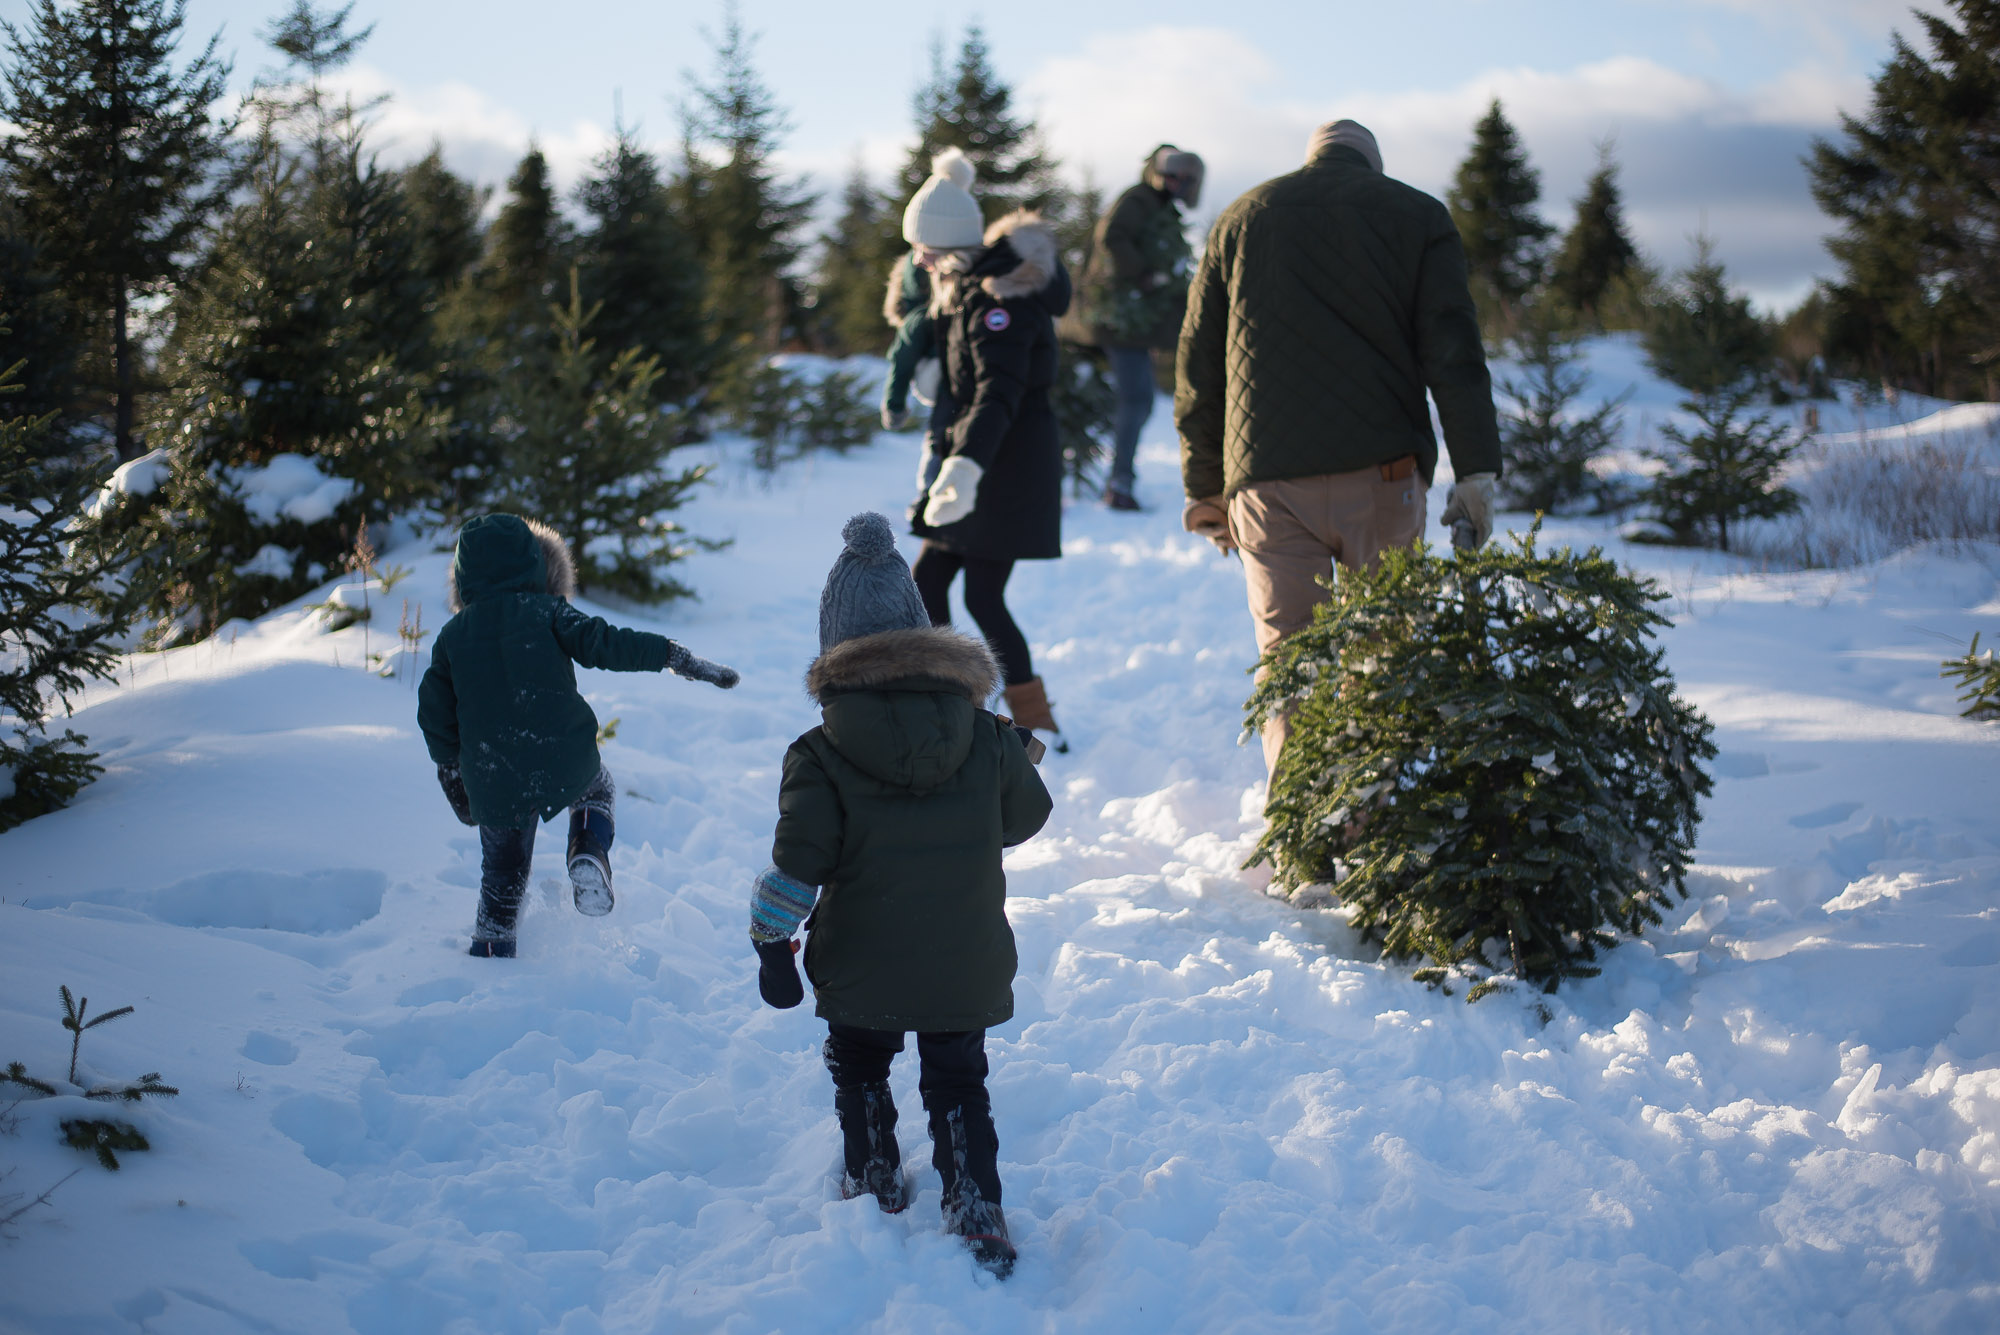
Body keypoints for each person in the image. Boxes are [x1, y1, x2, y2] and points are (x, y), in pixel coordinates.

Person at [748, 512, 1053, 1277]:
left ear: (833, 650)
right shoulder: (984, 734)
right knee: (958, 1078)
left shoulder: (818, 753)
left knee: (859, 1060)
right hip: (963, 962)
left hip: (860, 965)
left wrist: (770, 947)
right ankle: (976, 1204)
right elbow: (1027, 817)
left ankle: (875, 1168)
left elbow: (795, 868)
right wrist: (1009, 755)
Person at [1176, 120, 1502, 778]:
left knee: (1289, 658)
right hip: (1382, 476)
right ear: (1369, 166)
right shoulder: (1416, 215)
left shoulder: (1239, 219)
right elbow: (1454, 353)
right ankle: (1375, 822)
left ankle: (1305, 848)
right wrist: (1476, 469)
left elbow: (1198, 367)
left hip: (1266, 483)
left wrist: (1205, 486)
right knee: (1382, 647)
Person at [417, 513, 739, 957]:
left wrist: (451, 771)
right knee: (596, 789)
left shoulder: (453, 637)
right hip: (562, 755)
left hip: (493, 774)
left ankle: (491, 953)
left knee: (502, 874)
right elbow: (609, 642)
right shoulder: (549, 612)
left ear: (463, 576)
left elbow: (434, 713)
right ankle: (587, 850)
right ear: (533, 563)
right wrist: (672, 655)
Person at [899, 151, 1073, 748]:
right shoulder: (966, 292)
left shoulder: (1000, 299)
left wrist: (966, 465)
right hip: (977, 462)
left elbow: (999, 392)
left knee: (982, 594)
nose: (916, 258)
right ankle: (952, 700)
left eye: (923, 246)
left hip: (1004, 465)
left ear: (948, 245)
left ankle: (1032, 717)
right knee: (928, 583)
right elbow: (966, 382)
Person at [1082, 144, 1203, 511]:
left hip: (1130, 322)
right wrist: (1144, 275)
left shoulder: (1158, 207)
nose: (1176, 184)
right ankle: (1119, 482)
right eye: (1170, 175)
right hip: (1119, 321)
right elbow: (1112, 238)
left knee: (1135, 400)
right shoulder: (1138, 200)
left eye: (1183, 178)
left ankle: (1117, 478)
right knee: (1137, 399)